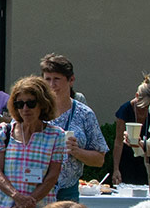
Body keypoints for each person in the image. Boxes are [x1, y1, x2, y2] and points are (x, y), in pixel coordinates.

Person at [0, 75, 66, 208]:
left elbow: (52, 176)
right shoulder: (4, 131)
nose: (25, 109)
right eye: (20, 104)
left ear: (43, 104)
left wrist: (29, 202)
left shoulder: (56, 135)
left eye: (31, 103)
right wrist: (17, 197)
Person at [38, 53, 107, 198]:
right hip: (36, 189)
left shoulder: (84, 114)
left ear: (71, 80)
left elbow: (100, 159)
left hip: (67, 192)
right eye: (47, 79)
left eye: (57, 79)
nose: (52, 85)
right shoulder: (35, 111)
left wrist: (77, 151)